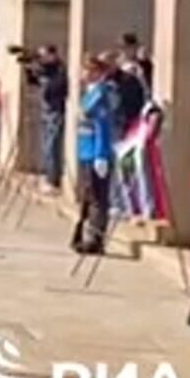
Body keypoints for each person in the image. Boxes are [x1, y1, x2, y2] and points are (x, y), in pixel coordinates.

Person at [71, 54, 116, 256]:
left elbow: (103, 127)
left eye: (89, 70)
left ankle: (96, 238)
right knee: (89, 195)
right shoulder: (90, 93)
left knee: (99, 197)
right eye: (84, 69)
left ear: (99, 73)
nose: (85, 73)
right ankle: (85, 233)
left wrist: (101, 154)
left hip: (97, 152)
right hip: (86, 150)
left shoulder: (102, 95)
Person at [25, 46, 69, 191]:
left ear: (53, 55)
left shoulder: (59, 70)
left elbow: (56, 87)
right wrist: (30, 69)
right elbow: (33, 82)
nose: (42, 59)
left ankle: (53, 179)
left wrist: (43, 77)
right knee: (45, 145)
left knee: (52, 145)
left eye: (44, 56)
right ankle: (46, 175)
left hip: (55, 110)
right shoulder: (47, 69)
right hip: (46, 109)